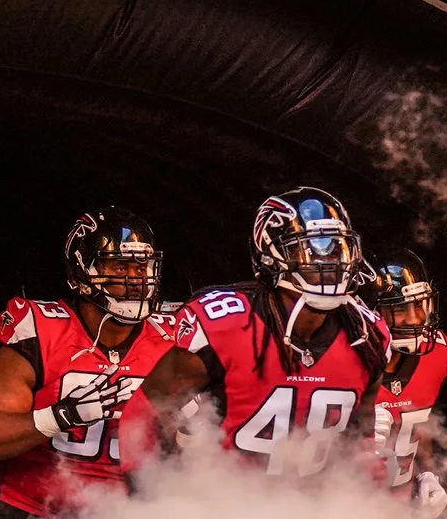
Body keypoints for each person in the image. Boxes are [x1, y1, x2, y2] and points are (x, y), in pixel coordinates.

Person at [0, 208, 175, 519]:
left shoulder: (170, 339)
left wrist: (184, 433)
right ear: (81, 272)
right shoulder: (45, 331)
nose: (135, 279)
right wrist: (59, 416)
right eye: (119, 266)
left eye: (142, 267)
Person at [142, 188, 390, 477]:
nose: (327, 264)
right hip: (220, 506)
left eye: (335, 249)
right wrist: (148, 492)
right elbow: (145, 412)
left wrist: (382, 489)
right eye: (307, 250)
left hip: (315, 510)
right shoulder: (225, 324)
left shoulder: (367, 335)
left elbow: (360, 443)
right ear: (270, 256)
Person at [361, 248, 447, 510]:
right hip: (342, 505)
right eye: (401, 308)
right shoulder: (345, 359)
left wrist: (427, 474)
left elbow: (421, 422)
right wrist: (355, 427)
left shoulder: (439, 354)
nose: (415, 318)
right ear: (372, 310)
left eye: (420, 305)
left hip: (398, 512)